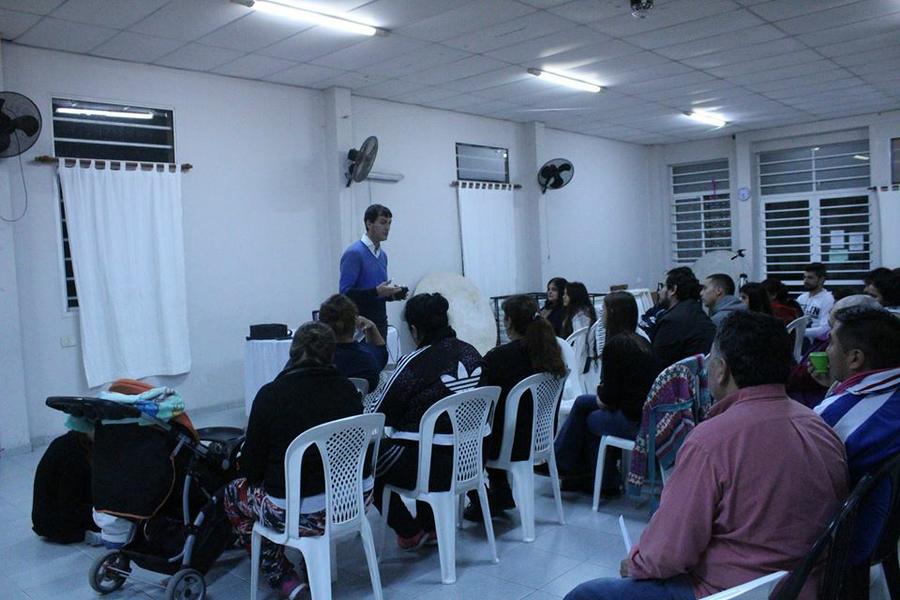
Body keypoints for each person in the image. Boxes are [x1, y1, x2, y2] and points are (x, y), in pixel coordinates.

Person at [565, 312, 848, 600]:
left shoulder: (711, 440)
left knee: (587, 594)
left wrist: (636, 563)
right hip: (804, 585)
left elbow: (668, 554)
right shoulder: (820, 428)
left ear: (721, 369)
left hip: (728, 591)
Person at [224, 322, 364, 600]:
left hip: (294, 512)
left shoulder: (270, 395)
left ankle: (282, 576)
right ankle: (312, 567)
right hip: (348, 502)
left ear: (292, 352)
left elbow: (251, 469)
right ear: (332, 354)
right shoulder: (348, 390)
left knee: (233, 494)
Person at [370, 293, 483, 549]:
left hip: (430, 468)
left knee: (365, 459)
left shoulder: (415, 363)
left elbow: (383, 414)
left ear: (414, 329)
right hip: (472, 459)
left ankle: (409, 530)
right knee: (426, 439)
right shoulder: (472, 352)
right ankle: (430, 525)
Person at [463, 295, 567, 521]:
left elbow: (480, 400)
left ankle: (483, 499)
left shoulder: (499, 357)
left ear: (508, 322)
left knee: (468, 434)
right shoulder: (551, 350)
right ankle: (500, 492)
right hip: (540, 436)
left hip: (509, 442)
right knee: (499, 421)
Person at [812, 307, 900, 564]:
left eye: (832, 342)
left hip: (838, 545)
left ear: (855, 359)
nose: (827, 350)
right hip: (882, 539)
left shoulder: (836, 418)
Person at [553, 292, 660, 495]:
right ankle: (583, 471)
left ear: (613, 313)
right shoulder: (640, 341)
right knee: (583, 403)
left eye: (605, 309)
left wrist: (602, 395)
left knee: (590, 418)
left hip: (633, 421)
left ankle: (589, 475)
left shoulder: (615, 346)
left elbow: (608, 399)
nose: (601, 313)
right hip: (645, 414)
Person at [339, 204, 407, 338]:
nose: (387, 228)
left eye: (389, 223)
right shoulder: (354, 253)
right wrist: (376, 292)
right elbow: (345, 294)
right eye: (382, 223)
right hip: (360, 326)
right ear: (369, 223)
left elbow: (375, 293)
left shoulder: (382, 255)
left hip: (380, 323)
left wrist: (392, 295)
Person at [31, 430, 98, 544]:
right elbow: (70, 506)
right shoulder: (73, 455)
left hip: (45, 521)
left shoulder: (68, 441)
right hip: (59, 526)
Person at [317, 293, 387, 390]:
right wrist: (372, 327)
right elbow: (381, 352)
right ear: (355, 322)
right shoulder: (367, 360)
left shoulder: (311, 360)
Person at [651, 267, 716, 370]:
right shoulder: (697, 311)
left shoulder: (672, 321)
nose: (659, 292)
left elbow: (657, 364)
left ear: (673, 290)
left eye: (663, 287)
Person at [797, 262, 835, 341]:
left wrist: (798, 332)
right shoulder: (801, 298)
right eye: (804, 277)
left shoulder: (828, 299)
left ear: (821, 279)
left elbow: (825, 329)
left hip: (817, 345)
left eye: (810, 278)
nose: (805, 281)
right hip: (799, 342)